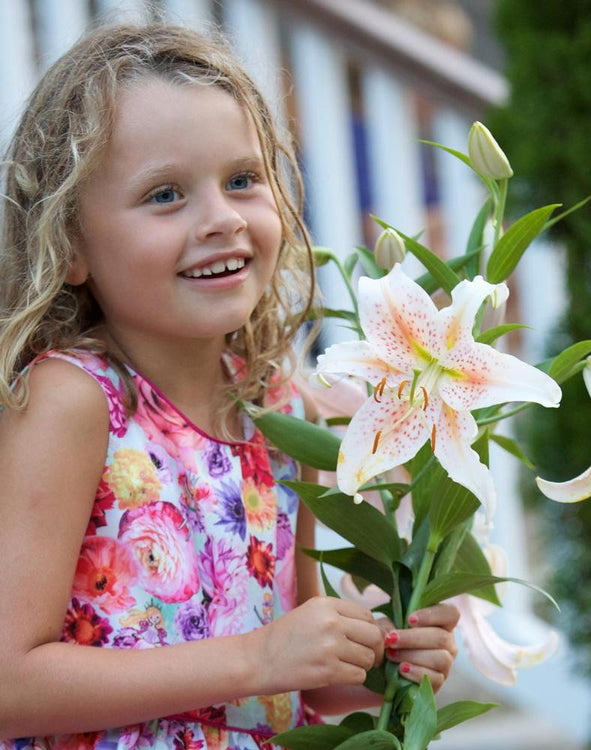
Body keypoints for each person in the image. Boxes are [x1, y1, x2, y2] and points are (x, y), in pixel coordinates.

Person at [0, 23, 459, 749]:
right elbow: (9, 684)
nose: (220, 220)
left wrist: (380, 661)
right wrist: (257, 658)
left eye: (242, 180)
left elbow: (288, 675)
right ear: (72, 246)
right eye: (165, 195)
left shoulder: (279, 410)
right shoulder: (73, 403)